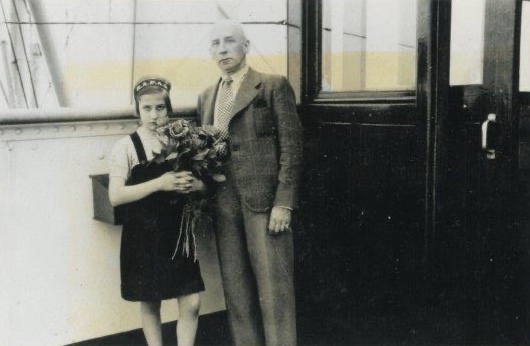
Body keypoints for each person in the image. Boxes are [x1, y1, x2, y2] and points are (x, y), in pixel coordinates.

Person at [197, 20, 303, 346]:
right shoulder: (206, 97)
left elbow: (292, 147)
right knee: (236, 291)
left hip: (265, 204)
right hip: (224, 206)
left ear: (245, 45)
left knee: (275, 292)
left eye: (230, 41)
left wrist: (283, 202)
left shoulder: (272, 86)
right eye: (216, 44)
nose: (223, 49)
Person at [108, 77, 206, 346]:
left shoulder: (185, 142)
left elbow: (204, 184)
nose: (154, 115)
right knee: (151, 302)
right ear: (137, 111)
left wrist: (195, 184)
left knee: (191, 302)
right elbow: (115, 196)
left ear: (169, 109)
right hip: (144, 235)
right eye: (147, 108)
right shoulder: (127, 147)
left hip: (178, 234)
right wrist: (160, 183)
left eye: (160, 108)